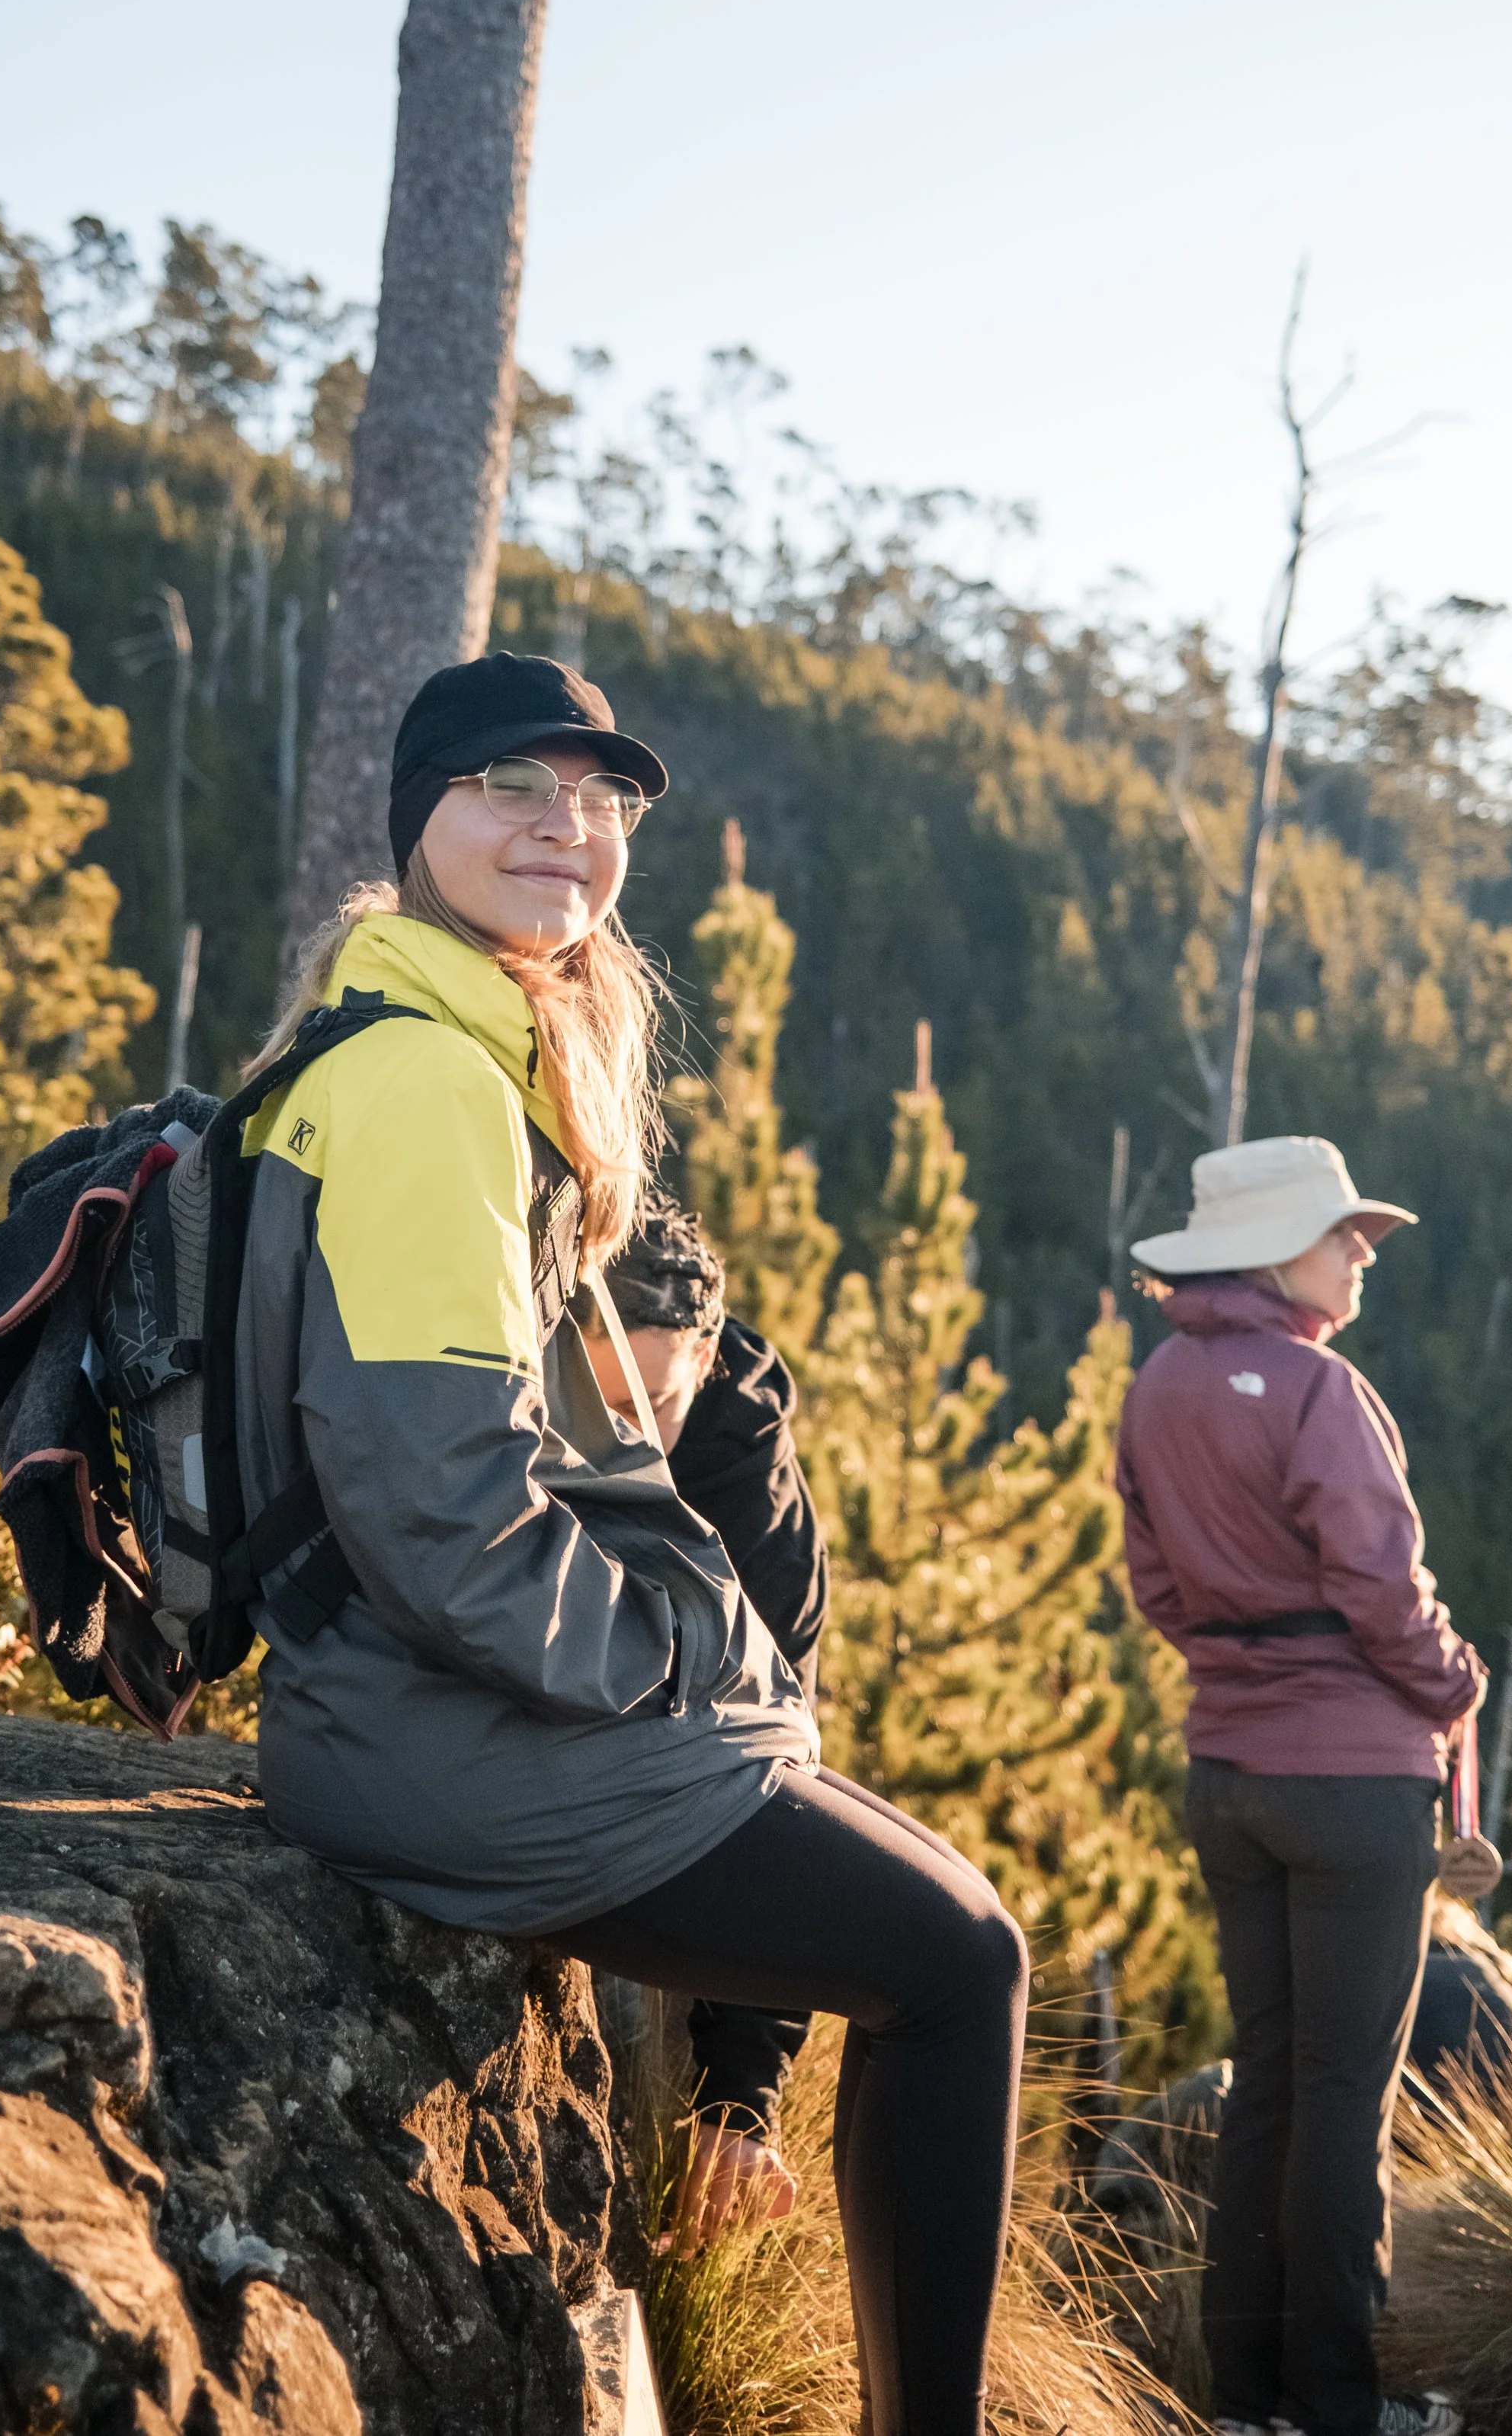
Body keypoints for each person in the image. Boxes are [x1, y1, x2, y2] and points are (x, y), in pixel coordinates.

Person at [235, 651, 1027, 2436]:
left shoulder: (427, 1041)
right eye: (508, 786)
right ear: (415, 818)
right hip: (431, 1726)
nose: (560, 827)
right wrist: (655, 1665)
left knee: (949, 1910)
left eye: (593, 802)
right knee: (953, 1969)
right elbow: (442, 1508)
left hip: (399, 1693)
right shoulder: (430, 1081)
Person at [1115, 1136, 1486, 2436]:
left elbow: (1156, 1582)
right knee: (1342, 2096)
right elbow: (1384, 1590)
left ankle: (1244, 2401)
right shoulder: (1322, 1391)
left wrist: (1240, 1662)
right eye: (1344, 1232)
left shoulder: (1159, 1383)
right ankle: (1338, 2407)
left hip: (1230, 1774)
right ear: (1279, 1251)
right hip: (1354, 1782)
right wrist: (1452, 1681)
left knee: (1268, 2080)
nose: (1362, 1248)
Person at [581, 1194, 830, 2242]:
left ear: (711, 1356)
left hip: (692, 1800)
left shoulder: (755, 1514)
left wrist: (741, 2094)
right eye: (601, 1402)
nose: (627, 1436)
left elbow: (782, 1772)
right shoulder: (512, 1421)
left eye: (659, 1404)